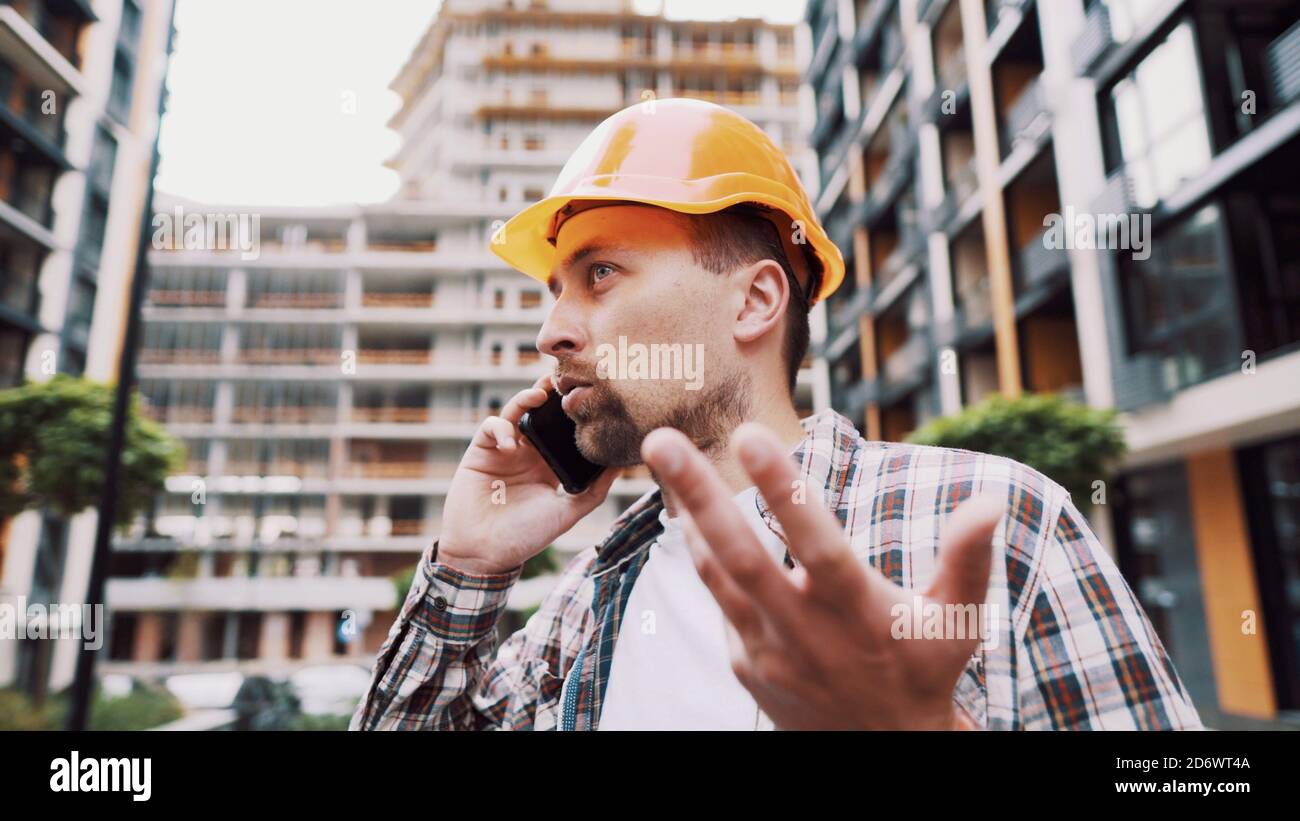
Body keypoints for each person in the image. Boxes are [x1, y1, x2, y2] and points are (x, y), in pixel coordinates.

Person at [349, 98, 1202, 731]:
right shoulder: (587, 604)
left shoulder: (995, 524)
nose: (551, 333)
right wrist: (466, 566)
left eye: (600, 274)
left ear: (755, 301)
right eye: (554, 292)